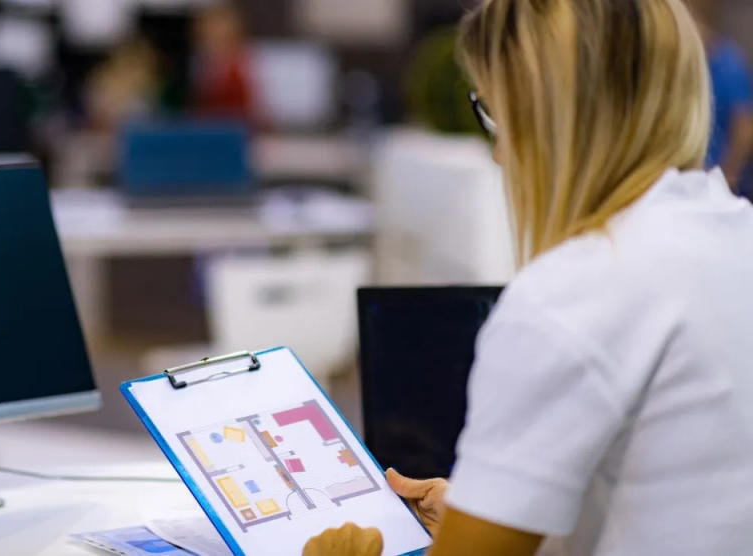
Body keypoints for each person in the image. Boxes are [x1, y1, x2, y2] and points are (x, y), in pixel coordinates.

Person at [305, 0, 753, 555]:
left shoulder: (571, 296)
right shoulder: (734, 233)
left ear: (540, 117)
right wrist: (491, 514)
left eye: (492, 112)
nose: (496, 153)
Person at [691, 0, 753, 194]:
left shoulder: (728, 64)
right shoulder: (690, 65)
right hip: (694, 180)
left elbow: (745, 126)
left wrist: (728, 175)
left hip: (723, 184)